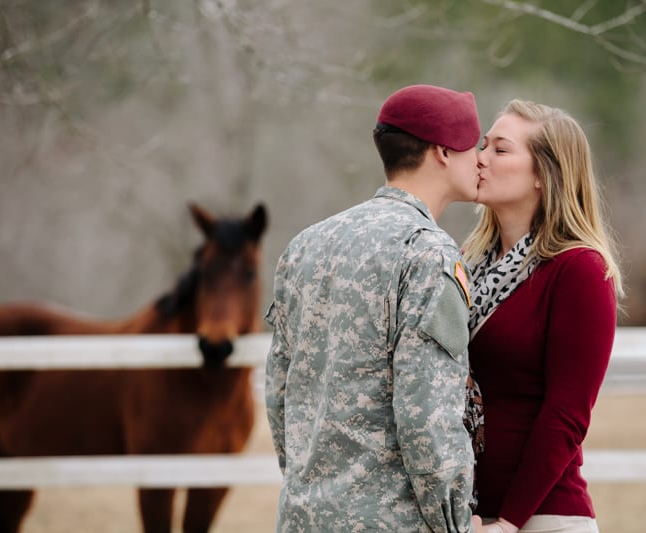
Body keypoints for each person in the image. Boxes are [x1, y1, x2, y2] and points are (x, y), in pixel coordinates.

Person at [265, 84, 483, 532]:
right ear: (443, 152)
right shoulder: (427, 254)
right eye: (471, 147)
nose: (480, 160)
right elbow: (428, 416)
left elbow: (279, 394)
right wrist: (455, 522)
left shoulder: (305, 245)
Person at [461, 100, 624, 533]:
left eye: (500, 149)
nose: (479, 158)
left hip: (540, 517)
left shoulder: (580, 270)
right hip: (469, 514)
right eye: (482, 145)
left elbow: (567, 413)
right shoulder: (467, 263)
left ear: (542, 175)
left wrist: (510, 523)